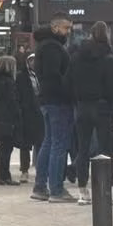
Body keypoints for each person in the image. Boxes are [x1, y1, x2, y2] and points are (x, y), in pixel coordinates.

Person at [69, 21, 113, 205]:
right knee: (105, 150)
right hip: (103, 106)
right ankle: (104, 192)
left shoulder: (77, 57)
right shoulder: (109, 58)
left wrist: (77, 99)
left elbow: (69, 81)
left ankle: (83, 191)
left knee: (83, 149)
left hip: (82, 105)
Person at [31, 12, 77, 203]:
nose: (68, 32)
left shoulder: (44, 46)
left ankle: (40, 186)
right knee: (59, 144)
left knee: (49, 142)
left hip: (47, 100)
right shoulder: (53, 47)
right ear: (55, 27)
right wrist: (68, 91)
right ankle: (56, 189)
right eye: (66, 28)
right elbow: (54, 76)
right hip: (58, 101)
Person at [0, 56, 21, 186]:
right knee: (7, 148)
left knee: (3, 148)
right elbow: (12, 101)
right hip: (7, 117)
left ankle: (2, 176)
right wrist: (18, 113)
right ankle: (5, 176)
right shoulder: (8, 82)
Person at [15, 53, 43, 184]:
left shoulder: (42, 75)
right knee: (25, 144)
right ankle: (24, 170)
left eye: (35, 60)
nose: (33, 63)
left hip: (40, 111)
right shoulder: (21, 76)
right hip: (27, 112)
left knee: (41, 142)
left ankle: (41, 169)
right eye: (31, 60)